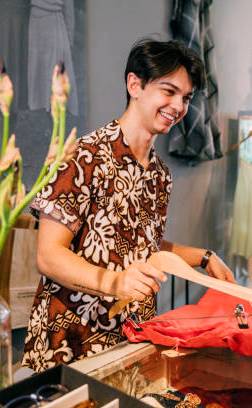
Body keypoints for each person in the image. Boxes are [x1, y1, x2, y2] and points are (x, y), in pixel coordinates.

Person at [21, 39, 235, 372]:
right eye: (169, 91)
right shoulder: (83, 156)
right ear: (134, 84)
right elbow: (48, 256)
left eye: (186, 97)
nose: (178, 106)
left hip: (131, 339)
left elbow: (141, 244)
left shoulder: (160, 174)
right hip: (72, 343)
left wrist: (205, 257)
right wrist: (116, 282)